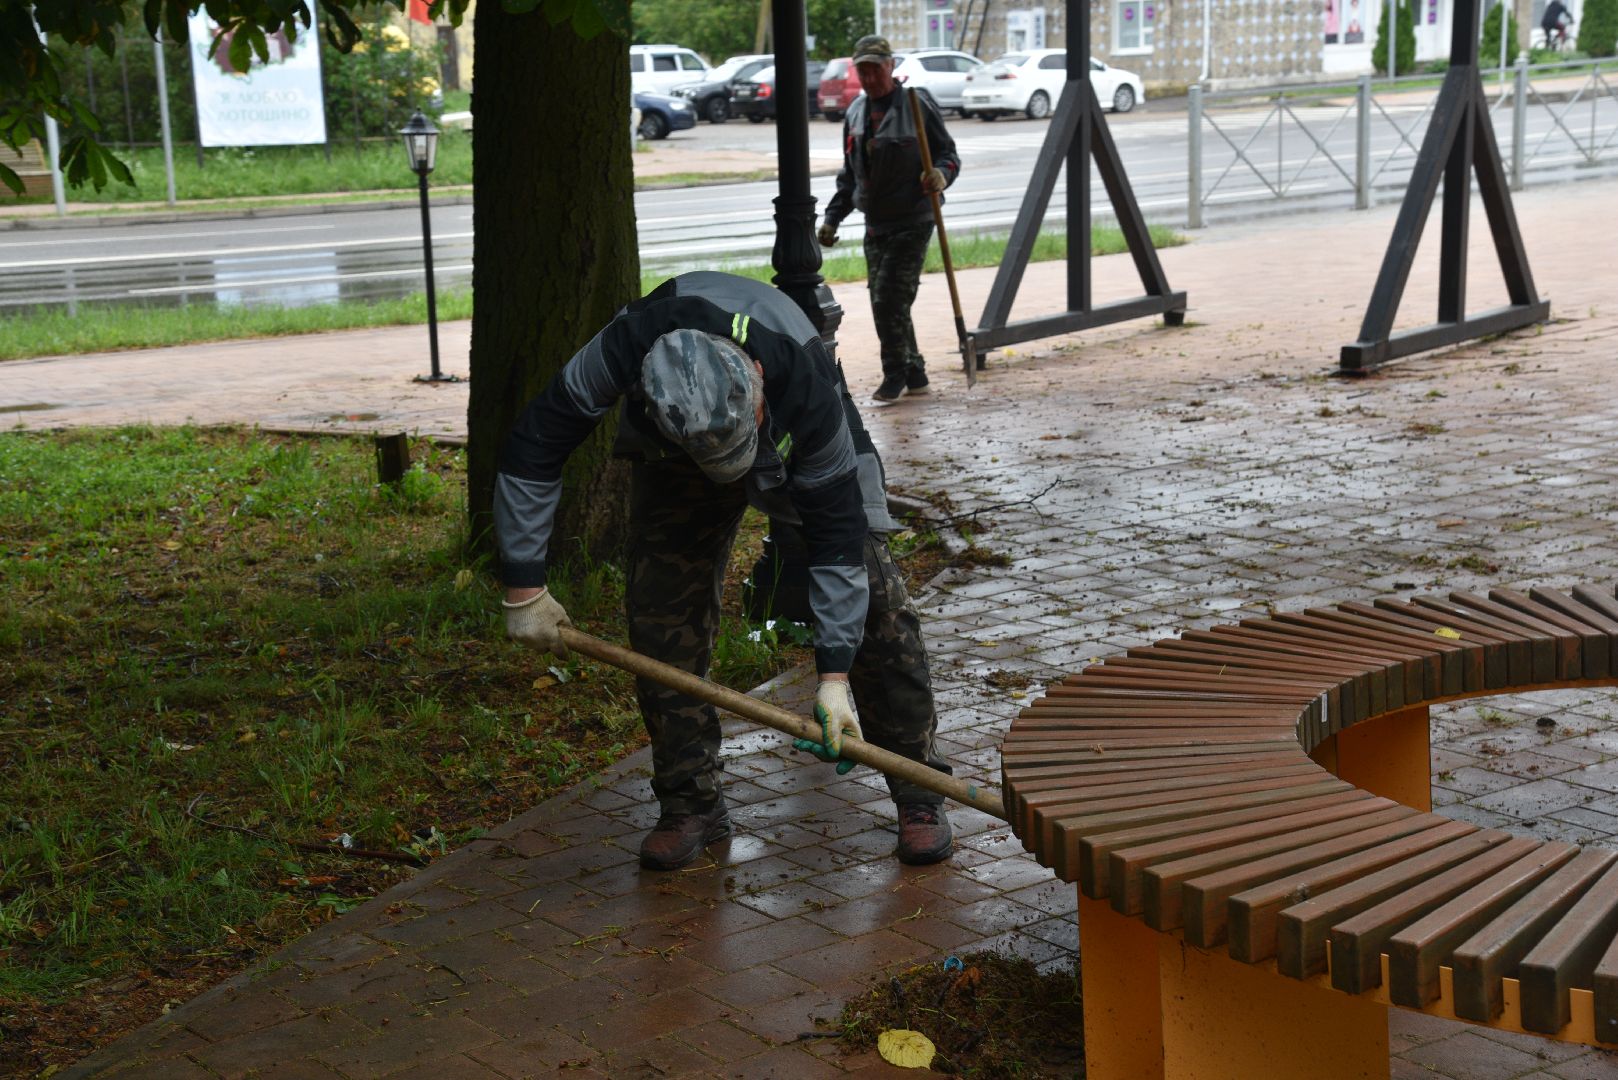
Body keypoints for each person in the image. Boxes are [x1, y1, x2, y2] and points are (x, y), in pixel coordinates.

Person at [494, 271, 956, 871]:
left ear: (757, 380)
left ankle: (920, 792)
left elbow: (837, 542)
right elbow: (534, 444)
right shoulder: (624, 347)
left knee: (874, 598)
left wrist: (834, 677)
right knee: (661, 613)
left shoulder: (802, 380)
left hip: (787, 431)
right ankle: (691, 802)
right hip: (675, 451)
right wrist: (523, 587)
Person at [818, 34, 961, 404]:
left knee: (888, 300)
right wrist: (833, 218)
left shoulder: (916, 104)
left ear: (891, 66)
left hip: (914, 218)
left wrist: (941, 174)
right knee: (890, 301)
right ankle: (915, 372)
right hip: (875, 222)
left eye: (874, 69)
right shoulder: (855, 113)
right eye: (861, 70)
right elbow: (851, 175)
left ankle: (894, 372)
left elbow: (947, 155)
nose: (868, 77)